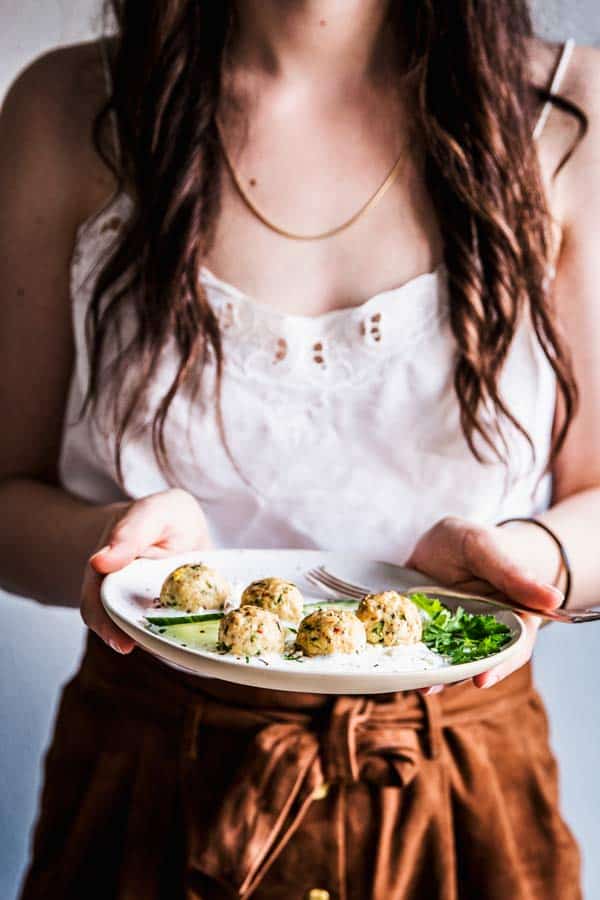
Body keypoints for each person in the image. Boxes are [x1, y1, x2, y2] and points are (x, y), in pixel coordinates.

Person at [1, 2, 599, 898]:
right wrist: (116, 542)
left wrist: (531, 560)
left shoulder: (572, 112)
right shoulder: (66, 110)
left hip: (463, 793)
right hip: (147, 787)